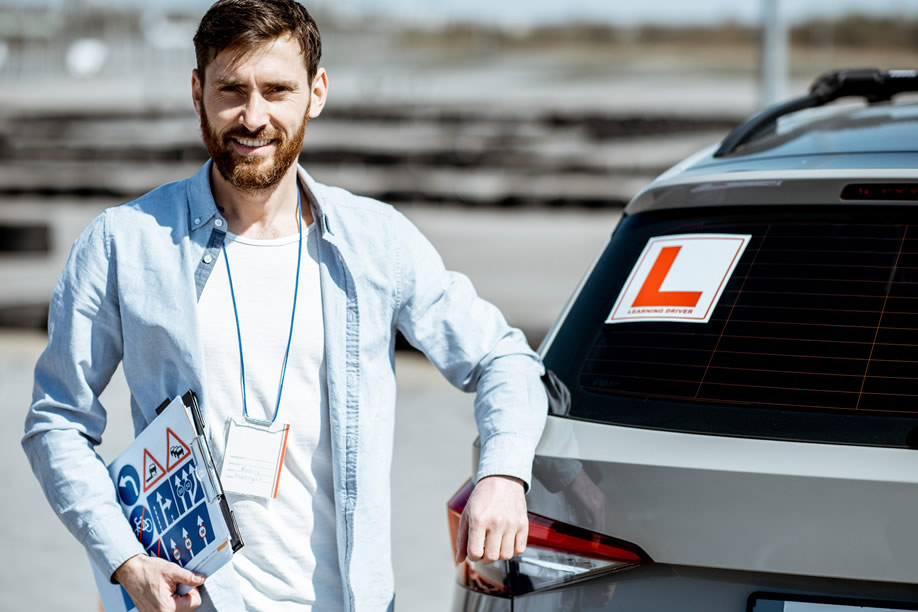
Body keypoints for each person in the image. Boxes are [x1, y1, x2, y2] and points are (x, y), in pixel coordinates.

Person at [21, 1, 548, 610]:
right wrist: (124, 560)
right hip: (188, 600)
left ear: (316, 93)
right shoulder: (124, 242)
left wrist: (504, 474)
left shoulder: (376, 240)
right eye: (231, 91)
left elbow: (502, 358)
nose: (253, 117)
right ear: (197, 93)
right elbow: (57, 419)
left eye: (277, 90)